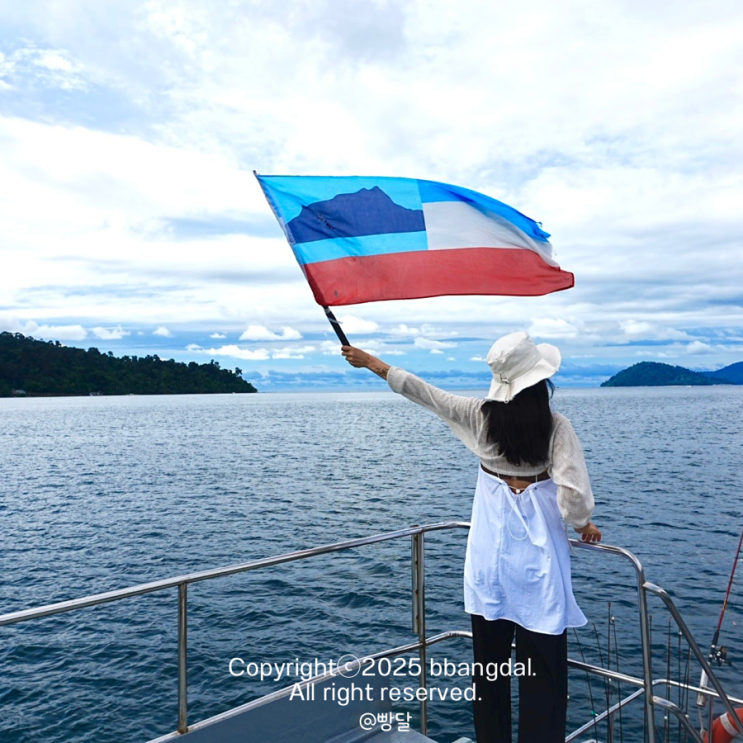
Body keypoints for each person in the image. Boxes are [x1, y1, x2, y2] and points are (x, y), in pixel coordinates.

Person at [341, 331, 601, 743]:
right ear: (540, 383)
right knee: (544, 677)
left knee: (489, 671)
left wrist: (371, 361)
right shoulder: (556, 427)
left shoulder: (479, 416)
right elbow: (572, 497)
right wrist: (584, 524)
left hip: (488, 562)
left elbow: (423, 392)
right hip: (538, 568)